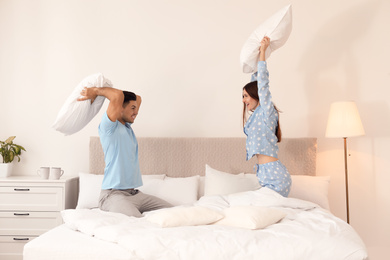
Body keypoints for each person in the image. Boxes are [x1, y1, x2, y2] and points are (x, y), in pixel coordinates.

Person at [78, 87, 172, 217]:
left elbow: (138, 98)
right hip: (112, 195)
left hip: (134, 194)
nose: (136, 112)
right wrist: (96, 91)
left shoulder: (126, 127)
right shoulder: (109, 128)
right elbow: (117, 95)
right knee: (137, 223)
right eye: (133, 108)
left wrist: (131, 104)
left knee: (175, 212)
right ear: (120, 108)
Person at [242, 36, 292, 197]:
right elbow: (256, 81)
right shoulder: (256, 116)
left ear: (256, 96)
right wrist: (257, 58)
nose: (244, 100)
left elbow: (262, 83)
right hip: (264, 174)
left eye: (246, 96)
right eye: (242, 97)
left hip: (275, 176)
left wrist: (263, 52)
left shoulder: (267, 112)